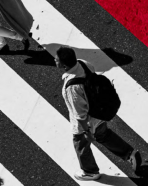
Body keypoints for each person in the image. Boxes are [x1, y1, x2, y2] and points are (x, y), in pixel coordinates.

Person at [55, 46, 142, 181]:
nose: (55, 60)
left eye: (57, 59)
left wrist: (86, 132)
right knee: (103, 135)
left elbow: (80, 114)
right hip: (98, 111)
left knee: (80, 144)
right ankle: (129, 153)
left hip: (87, 120)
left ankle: (90, 171)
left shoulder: (72, 87)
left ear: (64, 65)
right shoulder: (83, 63)